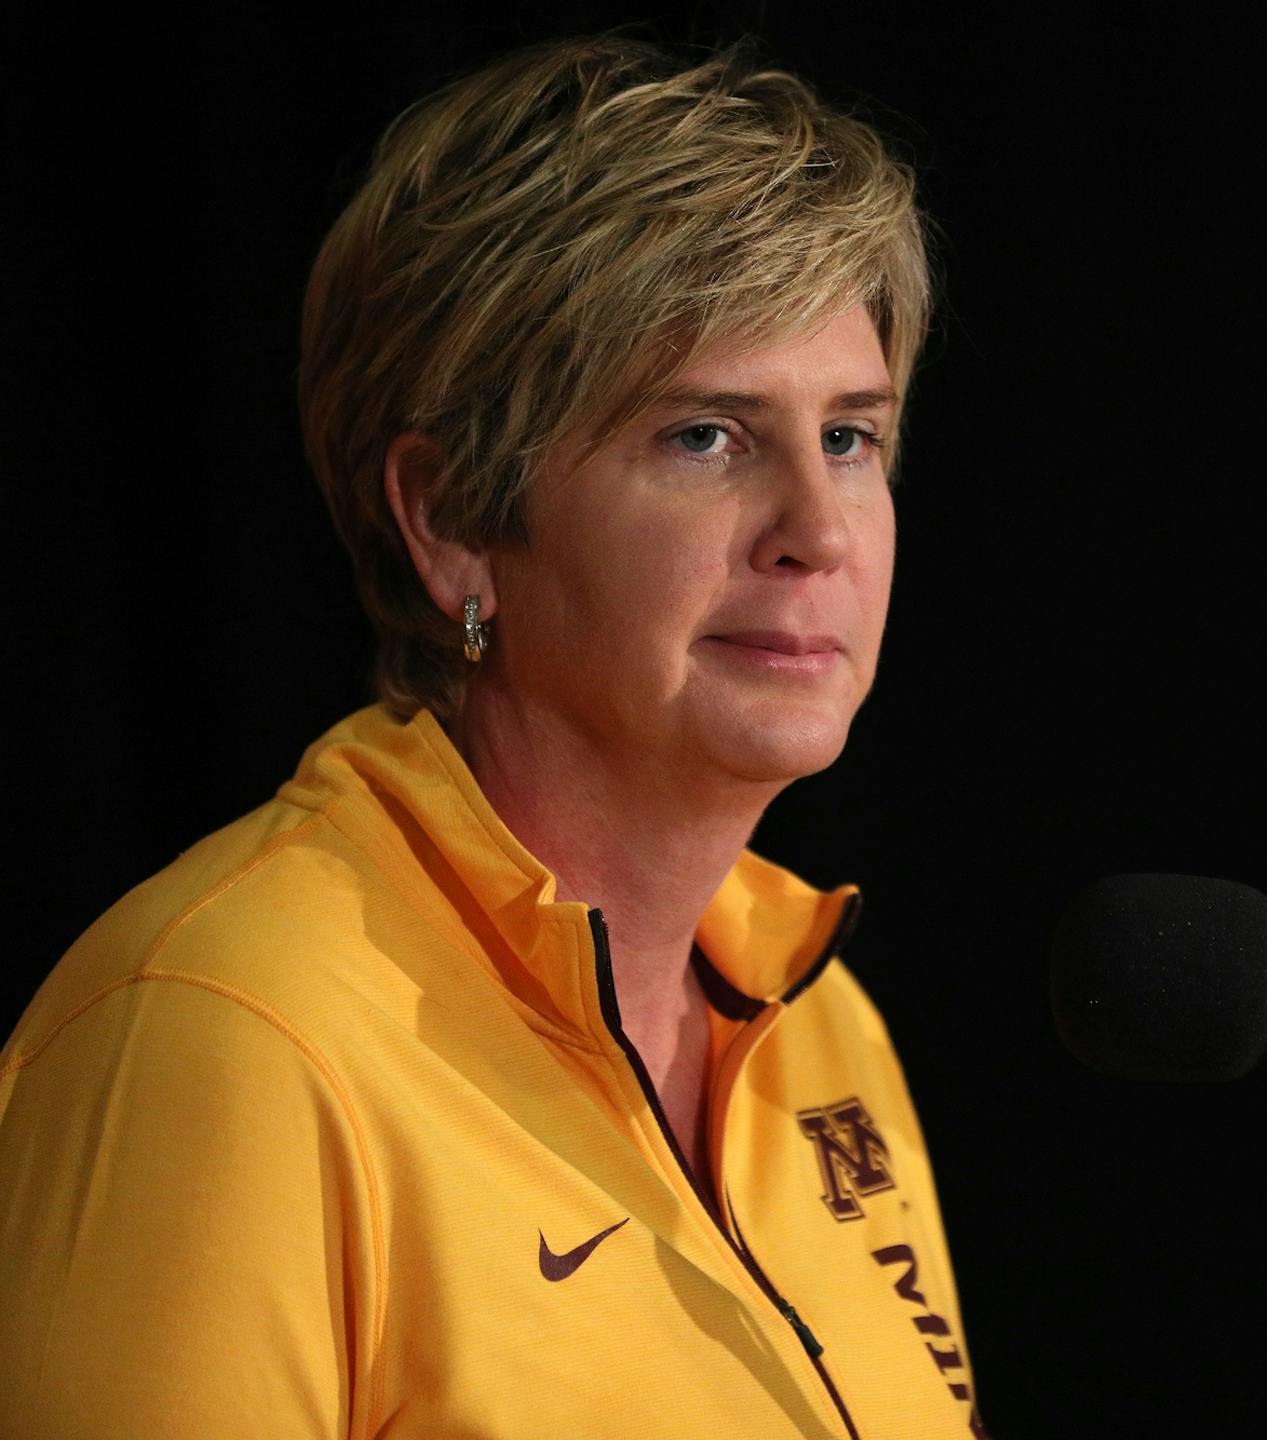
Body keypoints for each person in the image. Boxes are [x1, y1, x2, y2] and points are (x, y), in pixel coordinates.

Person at [0, 35, 983, 1438]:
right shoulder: (227, 1036)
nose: (817, 533)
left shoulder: (822, 1027)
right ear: (454, 520)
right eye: (706, 436)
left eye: (850, 438)